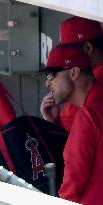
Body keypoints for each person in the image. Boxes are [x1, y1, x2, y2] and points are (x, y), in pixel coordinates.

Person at [39, 45, 103, 205]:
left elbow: (73, 183)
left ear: (74, 73)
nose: (47, 84)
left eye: (51, 75)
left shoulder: (89, 116)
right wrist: (54, 125)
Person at [40, 16, 103, 131]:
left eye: (69, 50)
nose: (65, 54)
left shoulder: (89, 87)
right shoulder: (79, 86)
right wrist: (53, 123)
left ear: (87, 48)